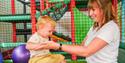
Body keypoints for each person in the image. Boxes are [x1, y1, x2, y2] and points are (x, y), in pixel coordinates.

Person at [39, 0, 120, 63]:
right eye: (89, 10)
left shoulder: (110, 27)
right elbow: (81, 47)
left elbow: (87, 51)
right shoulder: (94, 27)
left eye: (93, 10)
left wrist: (58, 46)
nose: (90, 14)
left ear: (104, 9)